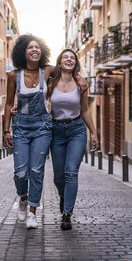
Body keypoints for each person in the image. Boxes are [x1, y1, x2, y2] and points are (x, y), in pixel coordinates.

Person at [4, 34, 87, 229]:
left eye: (37, 47)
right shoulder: (13, 75)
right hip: (21, 128)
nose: (34, 50)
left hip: (43, 127)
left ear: (42, 52)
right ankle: (23, 197)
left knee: (37, 170)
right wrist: (5, 131)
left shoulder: (47, 70)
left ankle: (33, 212)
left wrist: (78, 76)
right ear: (22, 51)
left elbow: (66, 66)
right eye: (30, 47)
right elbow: (8, 103)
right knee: (20, 173)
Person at [47, 48, 98, 230]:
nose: (69, 59)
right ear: (59, 62)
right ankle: (63, 195)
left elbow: (85, 110)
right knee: (59, 177)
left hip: (77, 130)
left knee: (71, 172)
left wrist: (94, 133)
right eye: (65, 57)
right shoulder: (51, 82)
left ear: (76, 63)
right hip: (57, 132)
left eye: (72, 58)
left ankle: (67, 214)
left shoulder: (81, 85)